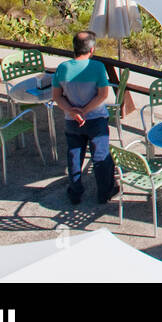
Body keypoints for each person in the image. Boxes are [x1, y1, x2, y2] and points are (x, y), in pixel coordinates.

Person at [51, 30, 115, 205]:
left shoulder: (63, 68)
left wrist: (73, 112)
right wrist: (85, 110)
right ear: (92, 49)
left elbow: (56, 96)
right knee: (100, 157)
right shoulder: (97, 67)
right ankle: (105, 192)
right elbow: (102, 95)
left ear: (74, 47)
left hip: (72, 121)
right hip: (96, 119)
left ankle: (75, 192)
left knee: (74, 155)